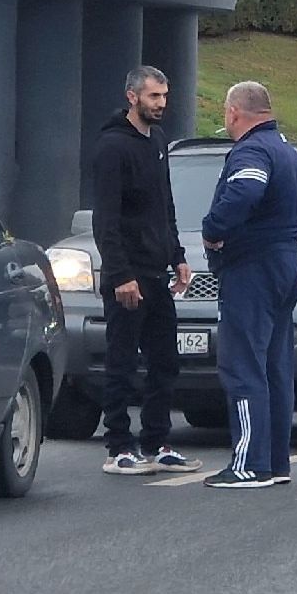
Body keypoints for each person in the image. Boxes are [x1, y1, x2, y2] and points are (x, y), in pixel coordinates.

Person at [89, 65, 202, 476]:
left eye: (165, 96)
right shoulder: (112, 148)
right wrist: (120, 275)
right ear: (132, 97)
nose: (162, 105)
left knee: (164, 361)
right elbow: (107, 220)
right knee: (121, 361)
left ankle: (157, 441)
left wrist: (178, 256)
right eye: (154, 97)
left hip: (157, 271)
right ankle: (118, 445)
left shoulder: (157, 141)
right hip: (128, 276)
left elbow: (163, 206)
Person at [200, 81, 297, 489]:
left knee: (242, 365)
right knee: (275, 368)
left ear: (234, 112)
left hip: (252, 268)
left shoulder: (252, 150)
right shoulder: (286, 150)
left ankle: (248, 464)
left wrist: (214, 229)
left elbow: (245, 190)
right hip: (284, 262)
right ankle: (276, 461)